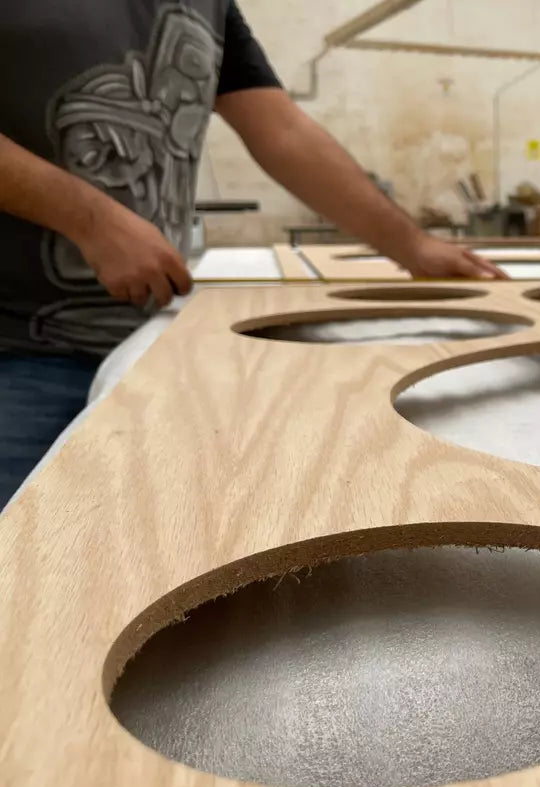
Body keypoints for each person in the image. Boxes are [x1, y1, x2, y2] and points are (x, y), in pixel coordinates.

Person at [0, 1, 506, 506]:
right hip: (20, 348)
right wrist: (89, 218)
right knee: (23, 560)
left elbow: (283, 132)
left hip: (151, 334)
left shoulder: (209, 6)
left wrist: (413, 246)